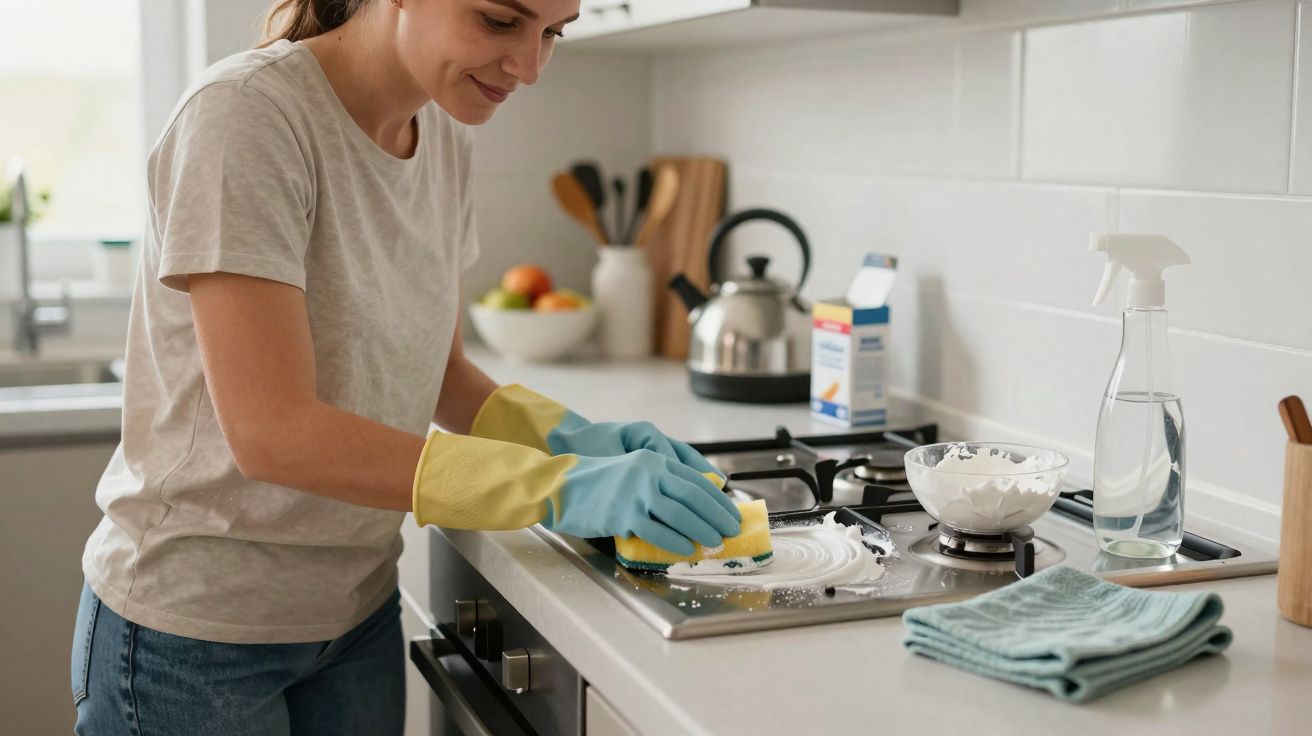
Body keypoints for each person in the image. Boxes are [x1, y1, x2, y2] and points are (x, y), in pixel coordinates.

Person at [70, 1, 739, 733]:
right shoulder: (246, 115)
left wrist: (572, 440)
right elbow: (271, 433)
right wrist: (554, 486)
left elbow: (437, 370)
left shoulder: (444, 131)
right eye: (499, 20)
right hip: (194, 636)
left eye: (553, 32)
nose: (529, 67)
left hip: (354, 611)